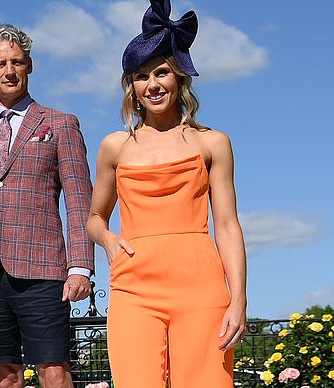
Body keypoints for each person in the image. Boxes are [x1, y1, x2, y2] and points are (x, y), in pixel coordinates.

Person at [86, 0, 247, 386]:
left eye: (161, 73)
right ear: (132, 88)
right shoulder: (114, 147)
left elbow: (226, 225)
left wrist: (238, 298)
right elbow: (94, 218)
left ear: (179, 79)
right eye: (142, 77)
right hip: (133, 284)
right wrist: (107, 240)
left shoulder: (214, 143)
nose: (153, 84)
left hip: (201, 283)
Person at [0, 24, 95, 388]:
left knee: (54, 373)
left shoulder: (60, 124)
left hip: (43, 270)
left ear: (29, 66)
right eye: (0, 64)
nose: (9, 71)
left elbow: (80, 200)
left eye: (17, 62)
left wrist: (81, 267)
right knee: (4, 379)